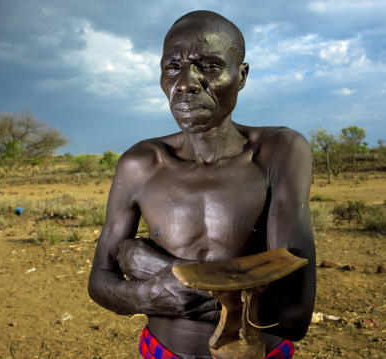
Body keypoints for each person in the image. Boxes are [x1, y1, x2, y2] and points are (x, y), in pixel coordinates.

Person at [88, 10, 316, 359]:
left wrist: (152, 266)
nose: (186, 82)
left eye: (209, 66)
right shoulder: (141, 163)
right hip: (161, 351)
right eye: (172, 67)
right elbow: (100, 281)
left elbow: (291, 315)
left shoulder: (278, 151)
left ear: (241, 76)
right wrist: (145, 296)